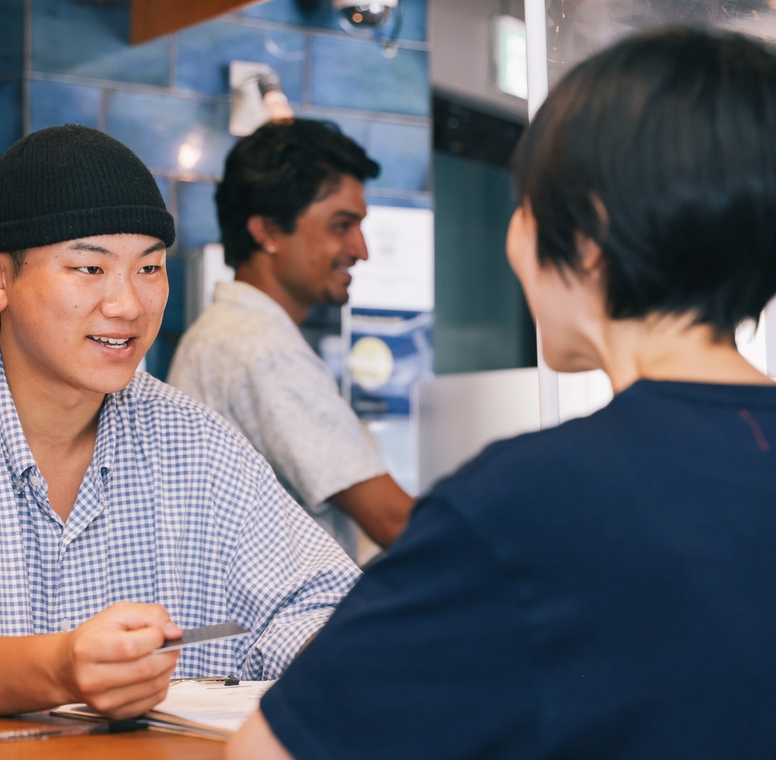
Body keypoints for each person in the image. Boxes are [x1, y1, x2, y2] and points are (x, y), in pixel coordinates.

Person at [230, 25, 776, 758]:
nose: (513, 237)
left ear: (587, 237)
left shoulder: (530, 498)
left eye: (525, 206)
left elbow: (267, 752)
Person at [0, 125, 360, 722]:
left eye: (149, 269)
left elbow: (317, 602)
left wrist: (350, 645)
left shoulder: (197, 443)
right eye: (90, 268)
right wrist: (64, 669)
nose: (127, 304)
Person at [167, 118, 415, 558]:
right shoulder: (261, 347)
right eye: (342, 225)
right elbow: (393, 520)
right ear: (267, 231)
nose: (362, 249)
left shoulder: (224, 335)